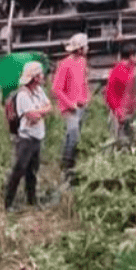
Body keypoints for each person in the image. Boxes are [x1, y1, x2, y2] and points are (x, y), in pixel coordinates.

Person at [6, 61, 51, 211]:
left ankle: (31, 200)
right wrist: (40, 111)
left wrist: (39, 111)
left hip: (38, 137)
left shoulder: (39, 90)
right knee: (19, 170)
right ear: (35, 77)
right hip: (26, 139)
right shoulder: (22, 95)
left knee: (33, 171)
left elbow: (49, 106)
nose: (43, 76)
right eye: (40, 74)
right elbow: (33, 117)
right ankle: (8, 203)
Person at [51, 33, 90, 185]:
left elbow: (83, 82)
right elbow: (56, 89)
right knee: (72, 137)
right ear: (79, 48)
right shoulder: (64, 64)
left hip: (81, 106)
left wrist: (86, 98)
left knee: (75, 138)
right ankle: (67, 170)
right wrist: (69, 104)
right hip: (70, 109)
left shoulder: (82, 62)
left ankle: (71, 168)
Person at [105, 43, 136, 150]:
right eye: (135, 55)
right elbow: (110, 94)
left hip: (131, 112)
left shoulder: (131, 69)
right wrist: (117, 111)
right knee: (120, 142)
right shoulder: (117, 71)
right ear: (131, 56)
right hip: (119, 112)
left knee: (133, 141)